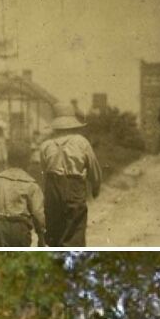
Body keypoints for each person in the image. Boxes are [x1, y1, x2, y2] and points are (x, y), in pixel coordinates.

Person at [39, 103, 102, 246]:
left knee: (54, 231)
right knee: (75, 228)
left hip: (52, 189)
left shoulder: (46, 145)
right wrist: (95, 187)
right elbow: (93, 167)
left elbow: (44, 172)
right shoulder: (81, 142)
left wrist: (48, 193)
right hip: (74, 187)